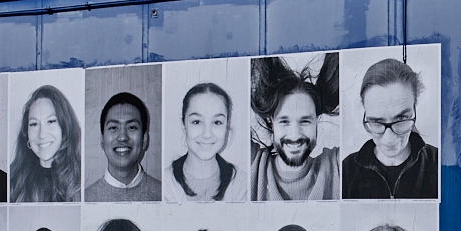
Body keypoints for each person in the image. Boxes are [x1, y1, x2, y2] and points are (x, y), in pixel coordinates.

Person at [342, 59, 439, 199]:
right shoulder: (346, 170)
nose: (389, 139)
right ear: (365, 112)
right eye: (376, 121)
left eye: (401, 119)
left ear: (414, 109)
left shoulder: (439, 163)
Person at [250, 54, 341, 201]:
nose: (295, 135)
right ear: (272, 121)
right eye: (284, 121)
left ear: (316, 122)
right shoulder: (253, 163)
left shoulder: (336, 167)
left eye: (305, 121)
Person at [163, 83, 247, 202]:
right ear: (184, 125)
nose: (207, 134)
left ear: (226, 127)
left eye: (217, 122)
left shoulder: (243, 185)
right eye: (197, 122)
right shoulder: (165, 185)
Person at [10, 85, 82, 203]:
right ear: (26, 132)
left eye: (51, 121)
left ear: (64, 126)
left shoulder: (81, 179)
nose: (41, 134)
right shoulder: (14, 181)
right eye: (34, 124)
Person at [84, 93, 162, 202]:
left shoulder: (163, 194)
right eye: (113, 128)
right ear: (102, 140)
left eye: (132, 127)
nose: (122, 137)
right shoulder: (86, 197)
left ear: (144, 139)